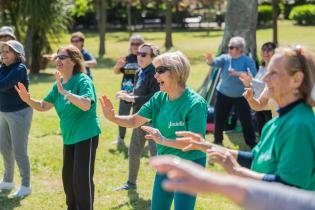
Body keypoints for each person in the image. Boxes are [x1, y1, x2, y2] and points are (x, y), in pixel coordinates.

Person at [177, 46, 315, 190]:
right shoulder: (275, 123)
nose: (265, 79)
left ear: (297, 79)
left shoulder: (299, 126)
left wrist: (236, 171)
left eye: (273, 73)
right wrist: (207, 146)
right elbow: (255, 159)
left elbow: (289, 187)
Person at [100, 50, 208, 210]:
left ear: (176, 72)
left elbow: (195, 143)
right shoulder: (159, 98)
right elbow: (135, 120)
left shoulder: (195, 104)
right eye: (155, 70)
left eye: (160, 71)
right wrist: (113, 118)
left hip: (190, 165)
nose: (155, 76)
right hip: (166, 162)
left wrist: (163, 140)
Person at [15, 45, 101, 210]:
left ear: (73, 61)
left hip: (86, 134)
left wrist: (66, 93)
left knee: (81, 179)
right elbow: (43, 106)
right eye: (57, 57)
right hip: (69, 137)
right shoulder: (59, 85)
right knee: (68, 179)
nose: (58, 60)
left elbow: (86, 105)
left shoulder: (83, 80)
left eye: (62, 57)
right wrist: (28, 100)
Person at [150, 155, 315, 210]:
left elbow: (292, 189)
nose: (264, 78)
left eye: (274, 73)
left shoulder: (299, 123)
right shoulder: (281, 121)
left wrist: (214, 182)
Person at [105, 43, 159, 190]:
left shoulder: (156, 73)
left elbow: (154, 98)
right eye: (138, 54)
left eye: (144, 54)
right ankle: (131, 183)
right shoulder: (138, 72)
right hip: (139, 117)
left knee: (156, 156)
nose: (139, 56)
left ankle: (163, 190)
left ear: (153, 57)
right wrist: (127, 95)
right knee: (134, 150)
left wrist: (133, 99)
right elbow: (138, 92)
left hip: (154, 120)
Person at [205, 36, 257, 148]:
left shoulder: (248, 61)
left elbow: (252, 75)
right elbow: (214, 62)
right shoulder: (225, 58)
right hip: (223, 93)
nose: (229, 49)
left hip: (241, 95)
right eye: (229, 47)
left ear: (239, 49)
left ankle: (252, 143)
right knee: (219, 118)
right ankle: (218, 140)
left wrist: (237, 73)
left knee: (246, 119)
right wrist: (209, 59)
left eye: (231, 47)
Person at [0, 40, 33, 197]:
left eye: (8, 51)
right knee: (4, 147)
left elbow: (3, 85)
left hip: (20, 113)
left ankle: (26, 185)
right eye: (2, 51)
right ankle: (8, 181)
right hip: (3, 112)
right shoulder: (2, 67)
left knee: (19, 150)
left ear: (17, 55)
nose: (3, 54)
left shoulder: (20, 68)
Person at [112, 34, 144, 147]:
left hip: (139, 93)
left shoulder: (144, 58)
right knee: (122, 116)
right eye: (133, 43)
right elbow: (116, 71)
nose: (135, 46)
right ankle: (120, 138)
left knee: (141, 118)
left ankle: (142, 141)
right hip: (125, 92)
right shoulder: (126, 58)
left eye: (138, 43)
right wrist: (118, 65)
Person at [240, 42, 277, 134]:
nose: (265, 52)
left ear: (275, 52)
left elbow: (267, 86)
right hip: (259, 104)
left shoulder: (276, 69)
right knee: (262, 133)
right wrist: (248, 83)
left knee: (270, 133)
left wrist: (252, 80)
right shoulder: (262, 68)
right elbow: (258, 86)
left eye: (269, 49)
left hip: (270, 106)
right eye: (263, 49)